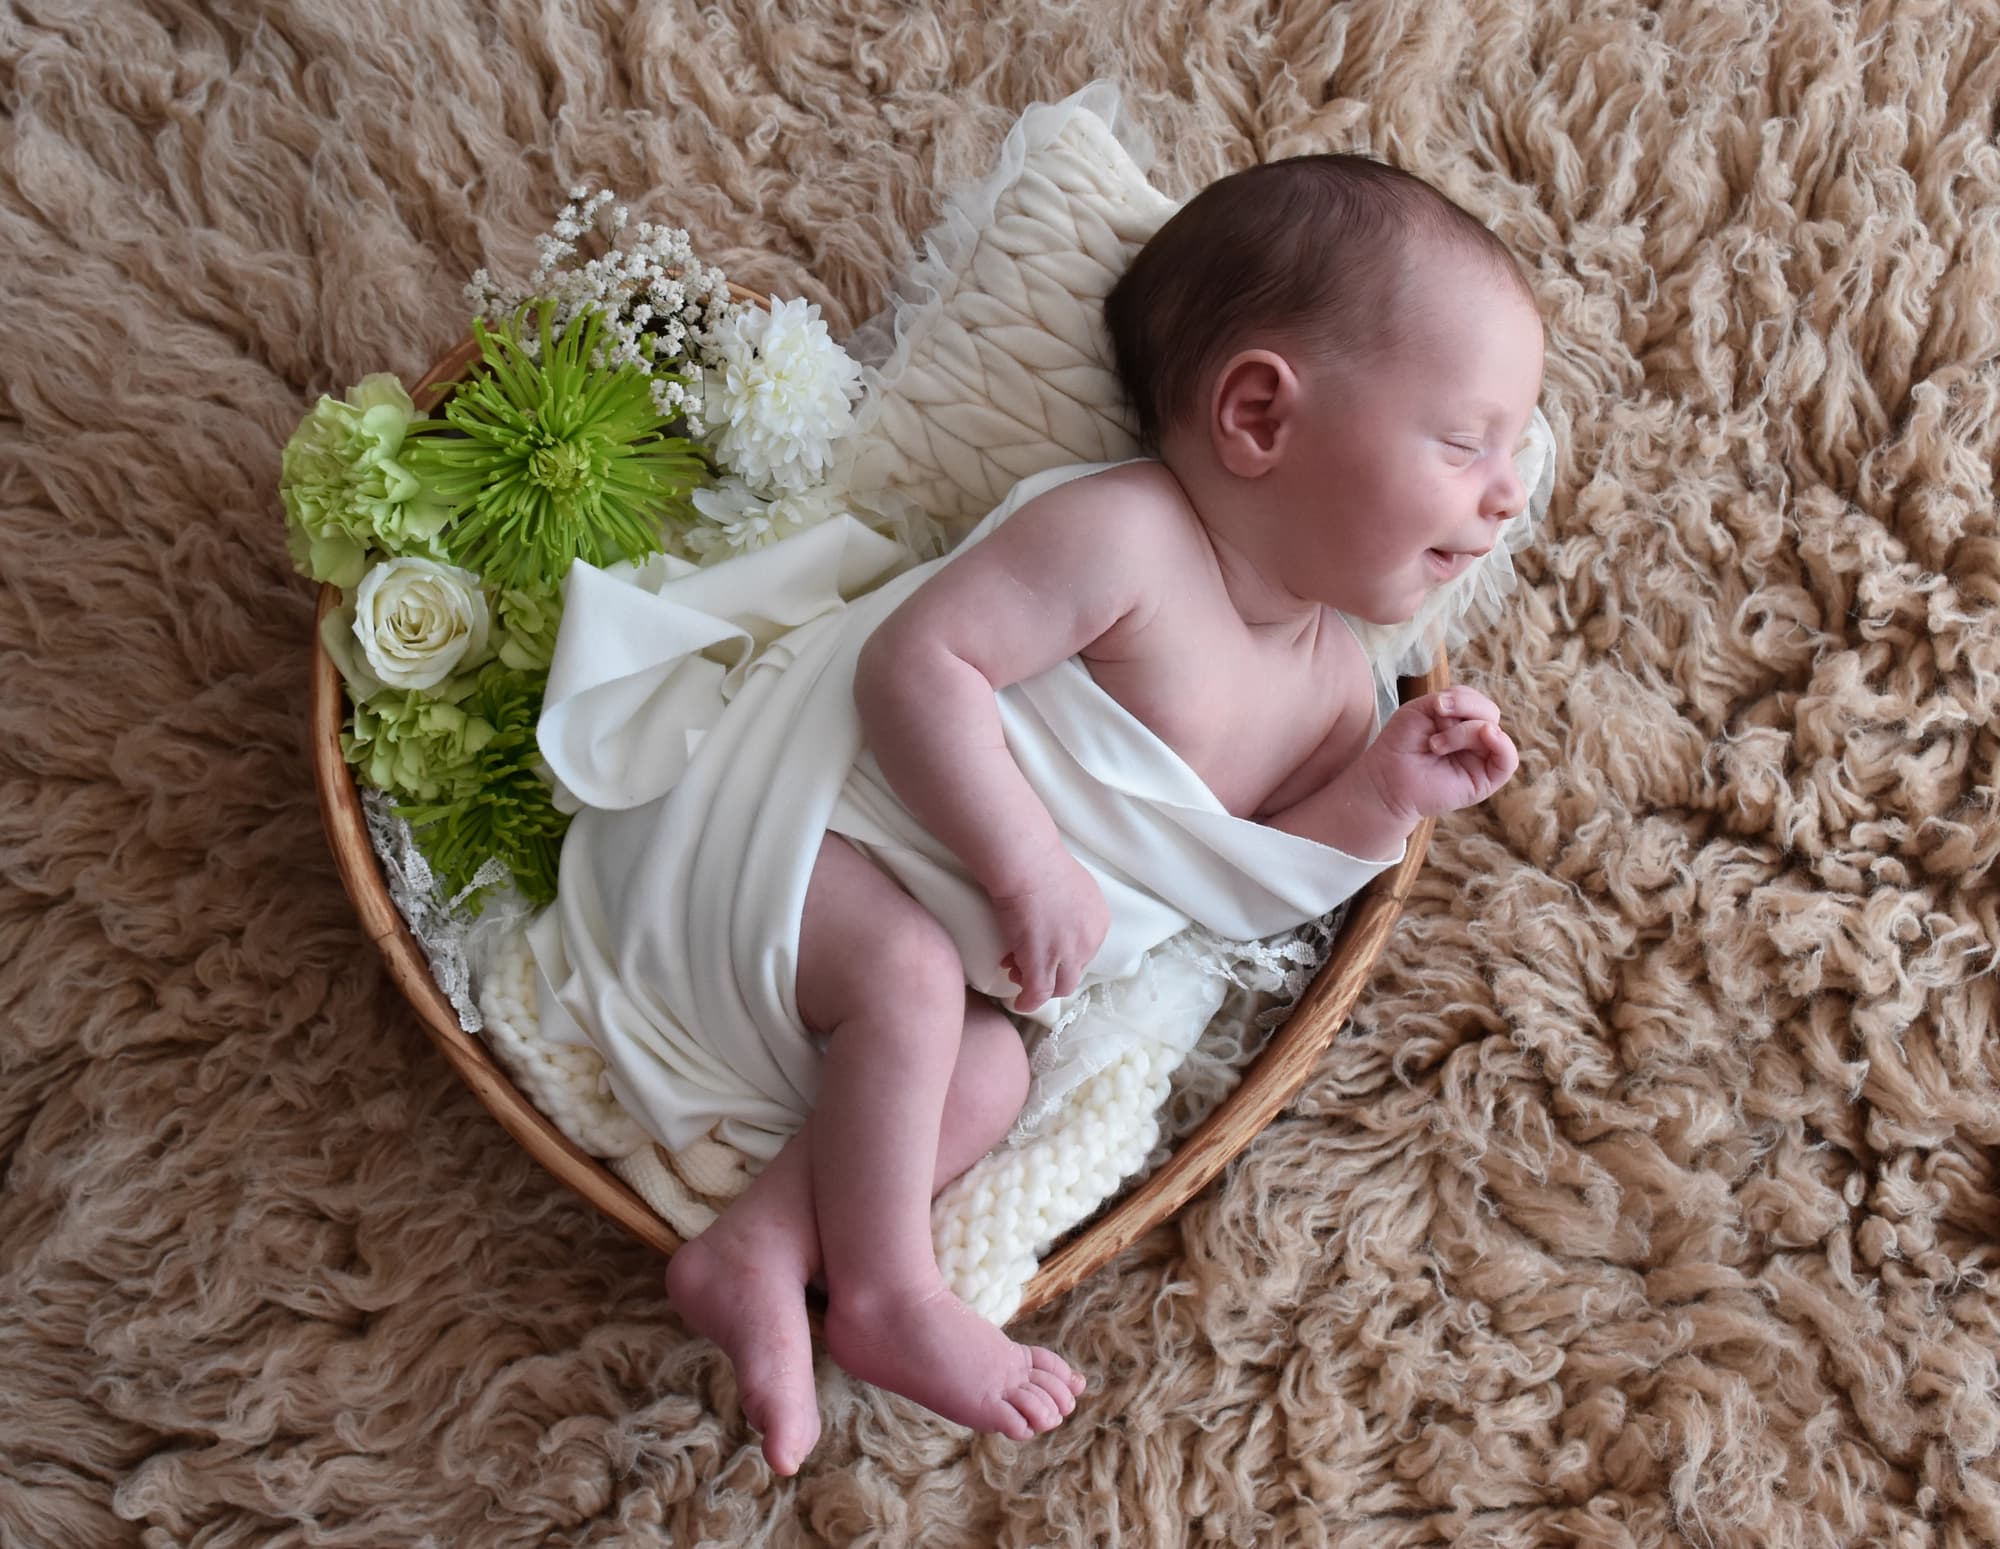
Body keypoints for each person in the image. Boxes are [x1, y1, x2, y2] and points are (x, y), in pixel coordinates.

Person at [564, 152, 1545, 1474]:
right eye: (1466, 442)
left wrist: (1385, 793)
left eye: (1513, 455)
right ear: (1260, 414)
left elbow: (1247, 884)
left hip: (905, 970)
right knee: (912, 979)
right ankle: (892, 1293)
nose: (1507, 494)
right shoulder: (1128, 540)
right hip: (798, 838)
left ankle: (760, 1245)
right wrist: (1016, 858)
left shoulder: (1333, 691)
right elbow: (916, 667)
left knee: (987, 1073)